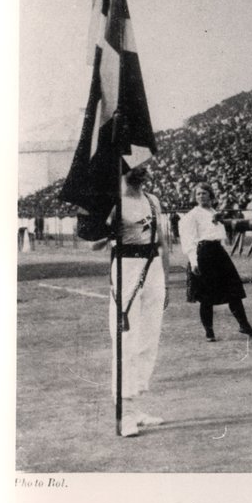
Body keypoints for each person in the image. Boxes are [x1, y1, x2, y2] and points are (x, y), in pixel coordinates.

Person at [102, 164, 170, 437]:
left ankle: (135, 406)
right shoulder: (114, 203)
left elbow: (163, 241)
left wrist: (165, 280)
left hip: (153, 269)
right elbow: (94, 243)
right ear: (123, 171)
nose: (142, 172)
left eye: (144, 168)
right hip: (127, 269)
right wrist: (104, 224)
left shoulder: (152, 200)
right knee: (126, 342)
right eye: (135, 169)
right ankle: (124, 414)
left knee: (148, 341)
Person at [181, 182, 252, 342]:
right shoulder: (192, 215)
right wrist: (194, 262)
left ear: (211, 195)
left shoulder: (214, 212)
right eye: (198, 194)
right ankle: (209, 332)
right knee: (206, 297)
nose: (201, 196)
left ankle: (244, 325)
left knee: (234, 292)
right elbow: (189, 241)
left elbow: (218, 234)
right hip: (202, 254)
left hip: (218, 253)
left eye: (204, 193)